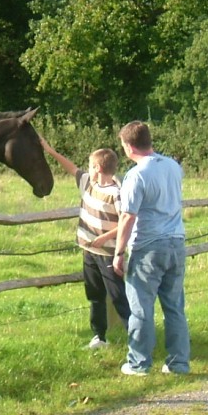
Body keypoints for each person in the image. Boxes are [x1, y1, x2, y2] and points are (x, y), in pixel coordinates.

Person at [112, 121, 190, 376]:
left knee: (141, 308)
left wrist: (119, 252)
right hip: (176, 242)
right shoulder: (172, 166)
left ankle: (139, 362)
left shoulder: (136, 175)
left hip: (148, 246)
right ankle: (178, 363)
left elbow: (128, 216)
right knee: (174, 306)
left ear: (128, 145)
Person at [40, 136, 130, 349]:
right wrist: (49, 150)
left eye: (90, 165)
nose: (87, 169)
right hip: (89, 251)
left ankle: (137, 339)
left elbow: (126, 221)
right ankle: (99, 336)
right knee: (95, 295)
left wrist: (105, 238)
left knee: (118, 297)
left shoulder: (117, 193)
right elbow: (71, 168)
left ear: (98, 167)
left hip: (107, 253)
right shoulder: (88, 182)